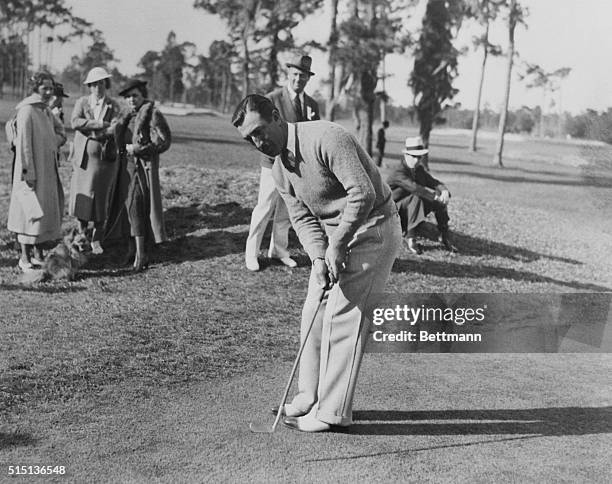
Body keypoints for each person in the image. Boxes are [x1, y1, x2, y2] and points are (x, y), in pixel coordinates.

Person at [232, 94, 402, 432]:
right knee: (314, 309)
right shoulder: (279, 167)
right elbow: (302, 218)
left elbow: (363, 193)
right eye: (249, 138)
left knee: (344, 316)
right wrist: (318, 257)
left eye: (260, 131)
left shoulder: (326, 137)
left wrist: (337, 245)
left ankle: (331, 413)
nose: (257, 142)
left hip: (375, 228)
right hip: (336, 236)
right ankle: (309, 396)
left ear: (277, 117)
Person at [244, 54, 320, 272]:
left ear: (308, 78)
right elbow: (253, 129)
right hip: (272, 162)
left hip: (296, 165)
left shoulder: (311, 105)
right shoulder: (272, 98)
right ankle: (251, 253)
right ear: (289, 74)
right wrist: (266, 149)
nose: (299, 79)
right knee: (265, 206)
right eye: (295, 74)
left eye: (303, 76)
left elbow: (312, 134)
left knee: (288, 208)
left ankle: (278, 250)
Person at [7, 72, 65, 271]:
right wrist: (28, 172)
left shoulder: (46, 111)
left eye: (51, 88)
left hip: (46, 170)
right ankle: (24, 257)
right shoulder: (27, 111)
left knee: (42, 214)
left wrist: (51, 145)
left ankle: (37, 255)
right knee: (28, 214)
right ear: (35, 89)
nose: (49, 92)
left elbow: (59, 134)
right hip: (30, 172)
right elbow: (23, 145)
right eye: (44, 88)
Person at [113, 79, 171, 272]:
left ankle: (142, 254)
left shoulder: (152, 114)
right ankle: (131, 250)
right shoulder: (125, 115)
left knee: (137, 207)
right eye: (128, 96)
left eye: (135, 95)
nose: (131, 99)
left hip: (142, 168)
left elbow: (164, 141)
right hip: (124, 167)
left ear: (143, 95)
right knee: (127, 209)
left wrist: (139, 149)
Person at [69, 67, 121, 255]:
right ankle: (82, 234)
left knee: (100, 197)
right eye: (94, 84)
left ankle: (97, 239)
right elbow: (75, 122)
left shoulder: (113, 105)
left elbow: (115, 127)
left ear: (106, 84)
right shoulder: (82, 102)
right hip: (83, 158)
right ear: (89, 87)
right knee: (83, 196)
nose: (98, 87)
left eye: (101, 83)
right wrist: (98, 125)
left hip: (104, 160)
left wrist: (95, 131)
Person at [386, 136, 457, 254]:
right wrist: (435, 197)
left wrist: (443, 191)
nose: (417, 160)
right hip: (393, 212)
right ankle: (411, 238)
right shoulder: (398, 172)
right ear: (406, 155)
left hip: (411, 209)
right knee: (418, 197)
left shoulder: (419, 170)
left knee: (437, 198)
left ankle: (444, 234)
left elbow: (434, 182)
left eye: (419, 157)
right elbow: (415, 188)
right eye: (414, 156)